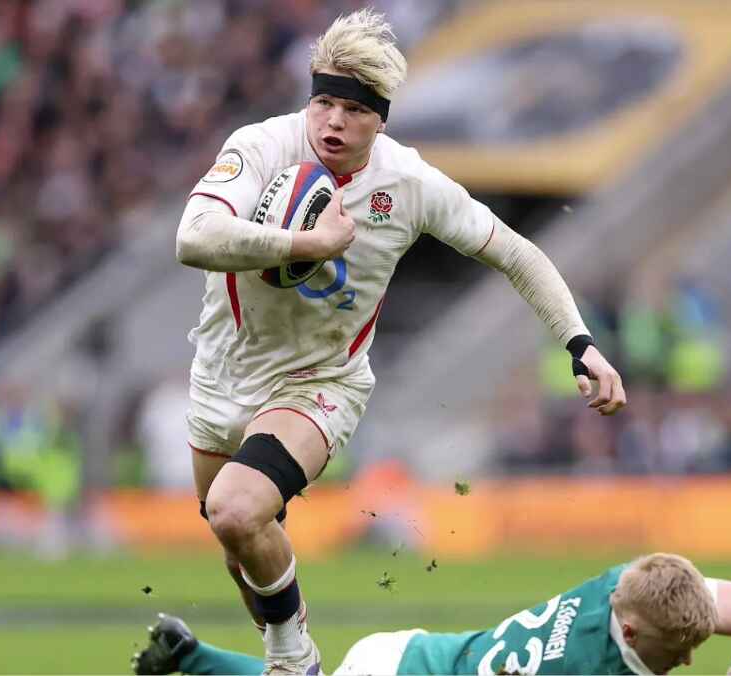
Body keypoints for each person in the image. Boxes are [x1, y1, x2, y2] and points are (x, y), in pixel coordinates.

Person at [174, 8, 627, 674]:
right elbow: (193, 239)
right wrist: (308, 243)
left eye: (352, 110)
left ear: (380, 118)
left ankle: (293, 658)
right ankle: (289, 650)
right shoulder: (264, 146)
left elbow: (517, 254)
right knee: (237, 540)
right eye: (323, 101)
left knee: (238, 510)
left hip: (320, 383)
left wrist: (579, 342)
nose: (333, 121)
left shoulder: (409, 185)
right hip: (222, 375)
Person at [131, 552, 731, 675]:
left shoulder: (635, 586)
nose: (689, 659)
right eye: (679, 652)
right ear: (627, 634)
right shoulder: (584, 671)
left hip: (413, 651)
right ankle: (192, 657)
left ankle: (186, 652)